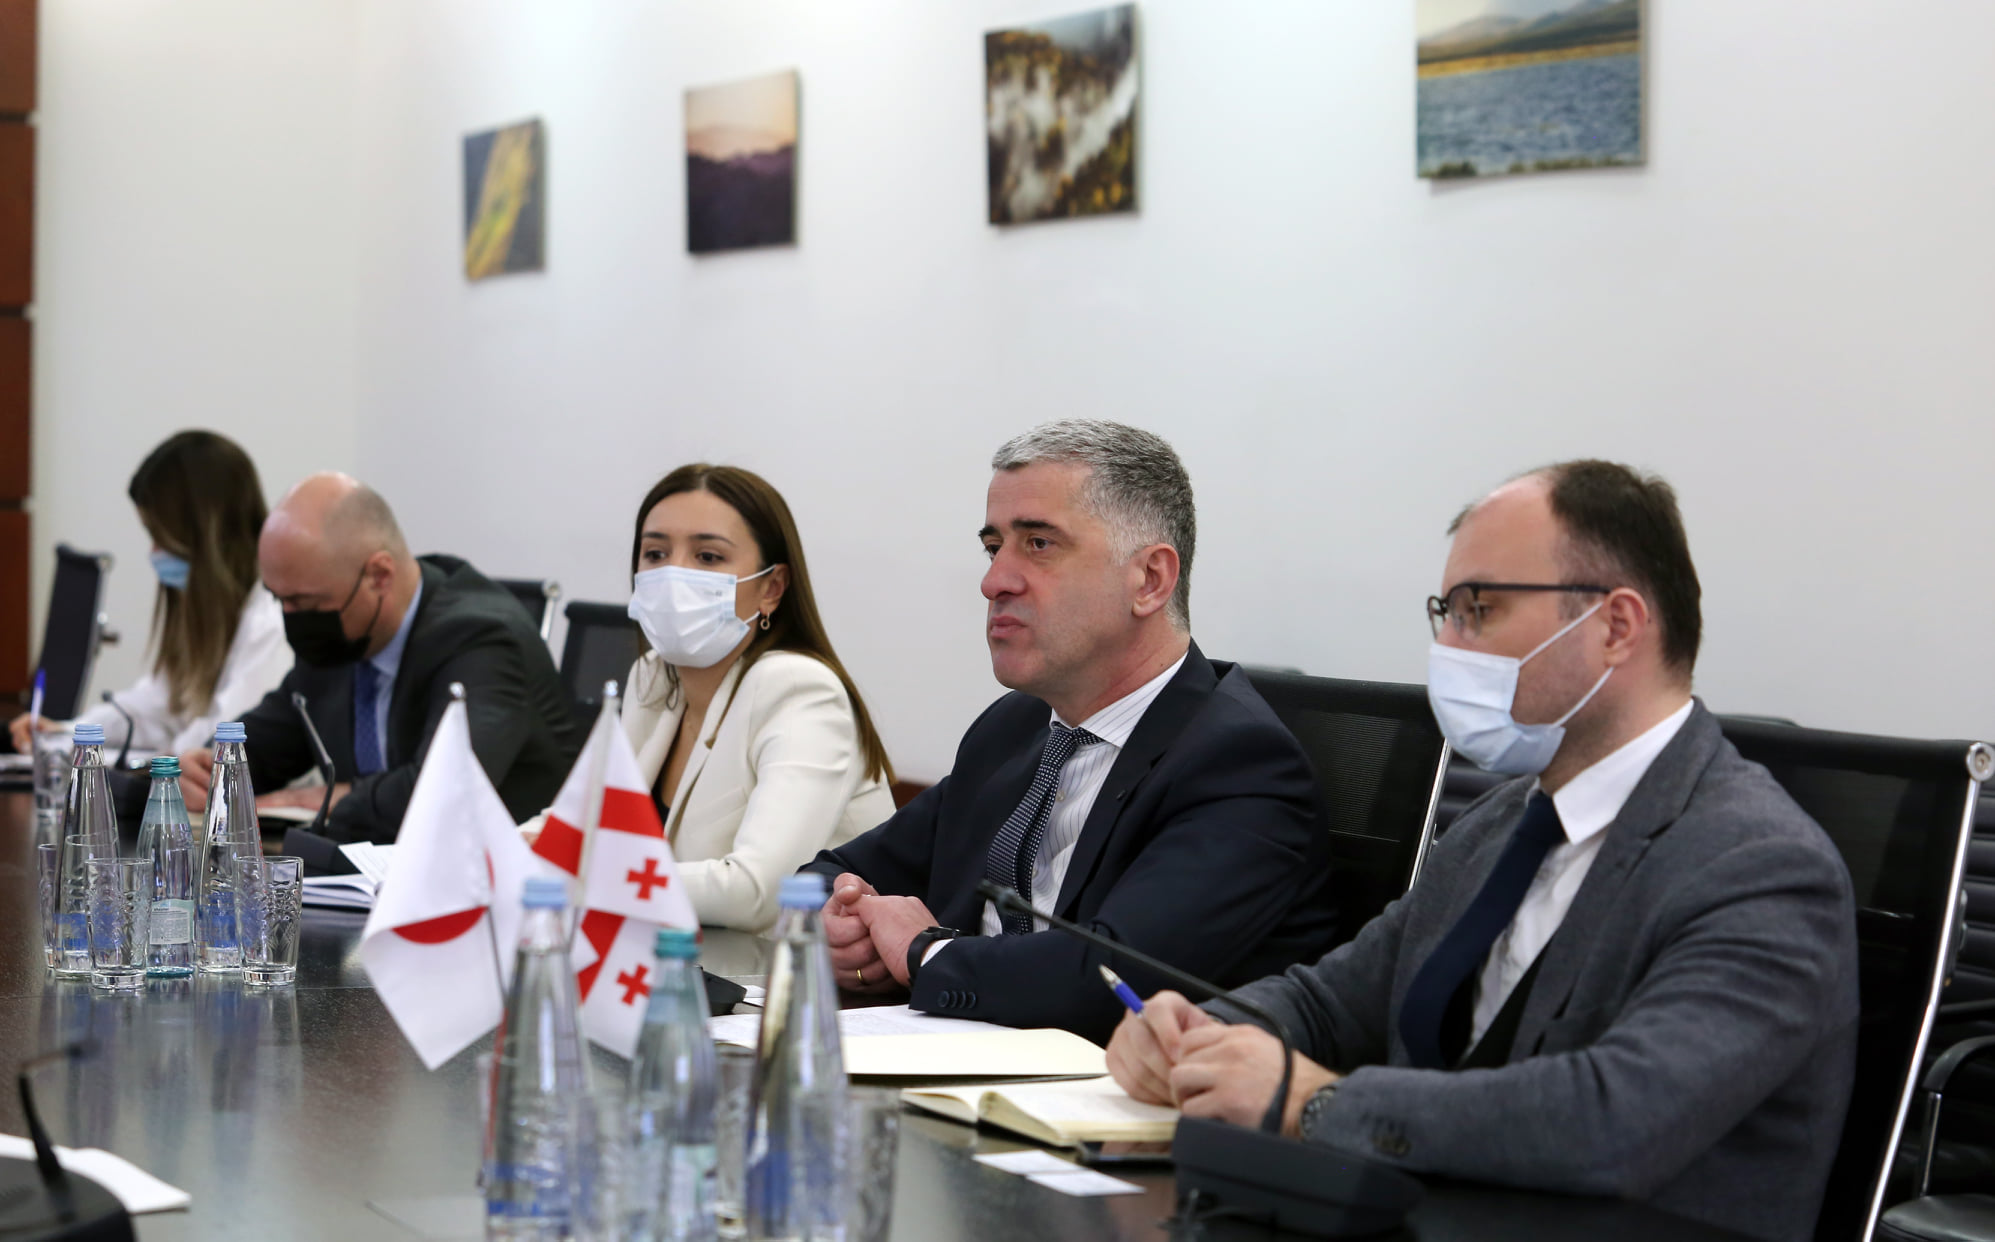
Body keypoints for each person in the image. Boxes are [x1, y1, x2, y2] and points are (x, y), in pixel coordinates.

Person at [1105, 461, 1858, 1242]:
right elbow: (1332, 1002)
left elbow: (1611, 1122)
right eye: (1445, 613)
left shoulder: (1762, 866)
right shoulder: (1501, 824)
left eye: (1479, 609)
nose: (1448, 646)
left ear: (1615, 626)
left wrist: (1314, 1103)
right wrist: (1199, 1033)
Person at [805, 420, 1335, 1045]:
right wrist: (842, 925)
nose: (994, 581)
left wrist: (923, 953)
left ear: (1149, 580)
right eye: (993, 547)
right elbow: (830, 873)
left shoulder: (1240, 763)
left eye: (1038, 544)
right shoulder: (1015, 727)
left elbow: (1106, 980)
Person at [525, 463, 897, 932]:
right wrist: (490, 849)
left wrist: (576, 873)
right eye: (655, 553)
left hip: (786, 970)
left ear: (771, 588)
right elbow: (576, 822)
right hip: (674, 957)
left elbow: (758, 892)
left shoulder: (799, 689)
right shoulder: (653, 678)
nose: (673, 573)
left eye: (707, 557)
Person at [177, 472, 581, 844]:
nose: (291, 617)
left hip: (496, 881)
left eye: (304, 602)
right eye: (278, 598)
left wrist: (330, 798)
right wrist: (213, 768)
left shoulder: (482, 638)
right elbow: (275, 739)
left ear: (379, 576)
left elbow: (440, 792)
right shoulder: (341, 635)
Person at [8, 430, 290, 757]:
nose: (154, 552)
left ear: (204, 536)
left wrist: (160, 758)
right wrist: (69, 733)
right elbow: (151, 710)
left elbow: (223, 738)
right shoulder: (208, 618)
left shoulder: (271, 623)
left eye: (161, 537)